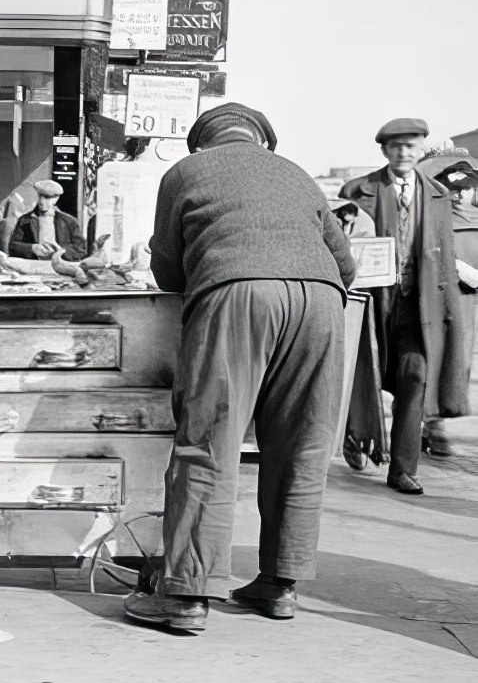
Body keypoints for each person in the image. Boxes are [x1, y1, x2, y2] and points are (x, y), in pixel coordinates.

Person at [123, 102, 356, 634]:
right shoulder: (296, 174)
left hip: (237, 294)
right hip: (322, 302)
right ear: (262, 142)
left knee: (210, 441)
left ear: (202, 143)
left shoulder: (184, 172)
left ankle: (186, 595)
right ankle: (280, 584)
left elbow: (166, 271)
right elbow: (345, 263)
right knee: (302, 444)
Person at [339, 120, 469, 494]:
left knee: (415, 377)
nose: (404, 154)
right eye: (397, 147)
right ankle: (355, 434)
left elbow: (444, 257)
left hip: (418, 307)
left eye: (412, 147)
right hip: (372, 304)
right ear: (384, 151)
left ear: (421, 149)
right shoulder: (358, 191)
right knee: (362, 375)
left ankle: (402, 469)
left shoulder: (439, 195)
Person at [8, 179, 86, 260]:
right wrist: (32, 248)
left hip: (60, 267)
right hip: (34, 268)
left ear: (56, 199)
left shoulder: (69, 222)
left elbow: (81, 250)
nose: (42, 201)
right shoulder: (25, 220)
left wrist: (61, 251)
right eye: (40, 196)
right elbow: (13, 247)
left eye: (47, 197)